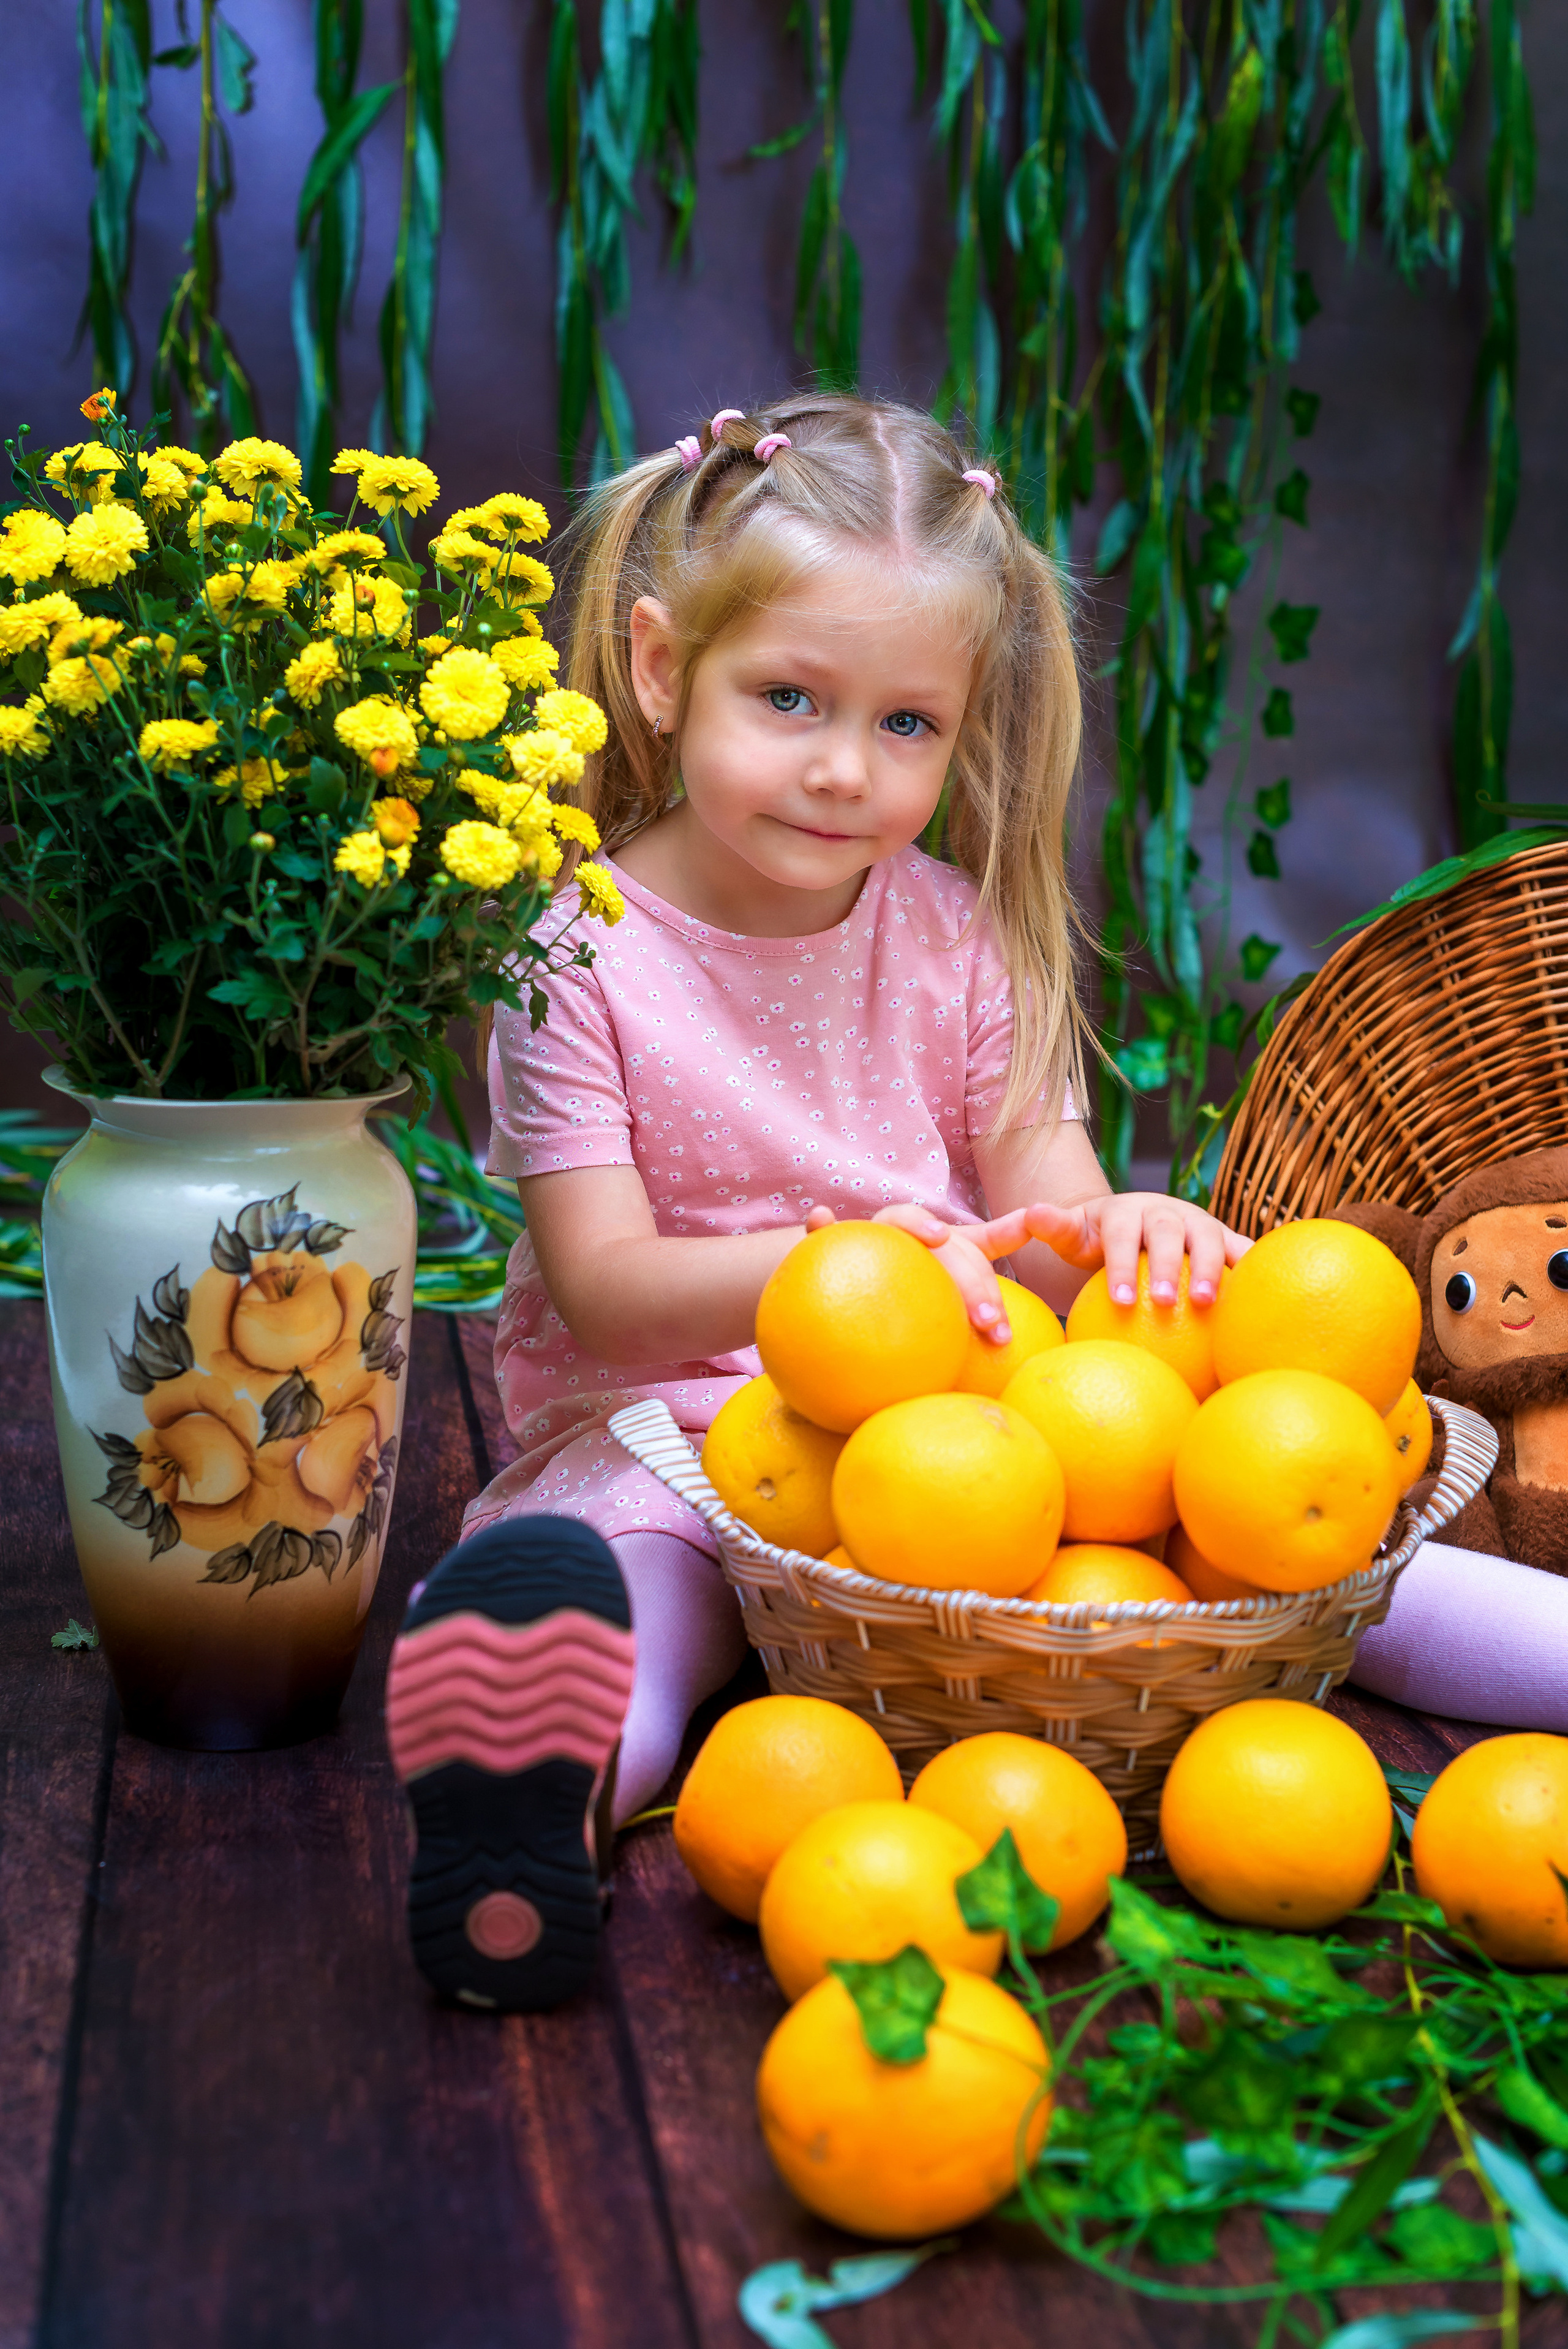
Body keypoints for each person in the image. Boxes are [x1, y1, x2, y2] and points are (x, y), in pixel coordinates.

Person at [383, 393, 1245, 2011]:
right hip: (693, 1434)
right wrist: (839, 1262)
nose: (846, 769)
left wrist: (1123, 1224)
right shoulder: (580, 950)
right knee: (667, 1589)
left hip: (945, 1450)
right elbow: (604, 1287)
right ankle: (532, 1804)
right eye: (790, 698)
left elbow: (1043, 1214)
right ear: (659, 668)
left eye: (907, 725)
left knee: (1251, 1533)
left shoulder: (956, 938)